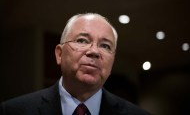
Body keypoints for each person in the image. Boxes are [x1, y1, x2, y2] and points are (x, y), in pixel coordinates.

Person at [0, 13, 150, 115]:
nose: (94, 51)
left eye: (105, 46)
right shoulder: (12, 111)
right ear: (59, 54)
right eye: (82, 40)